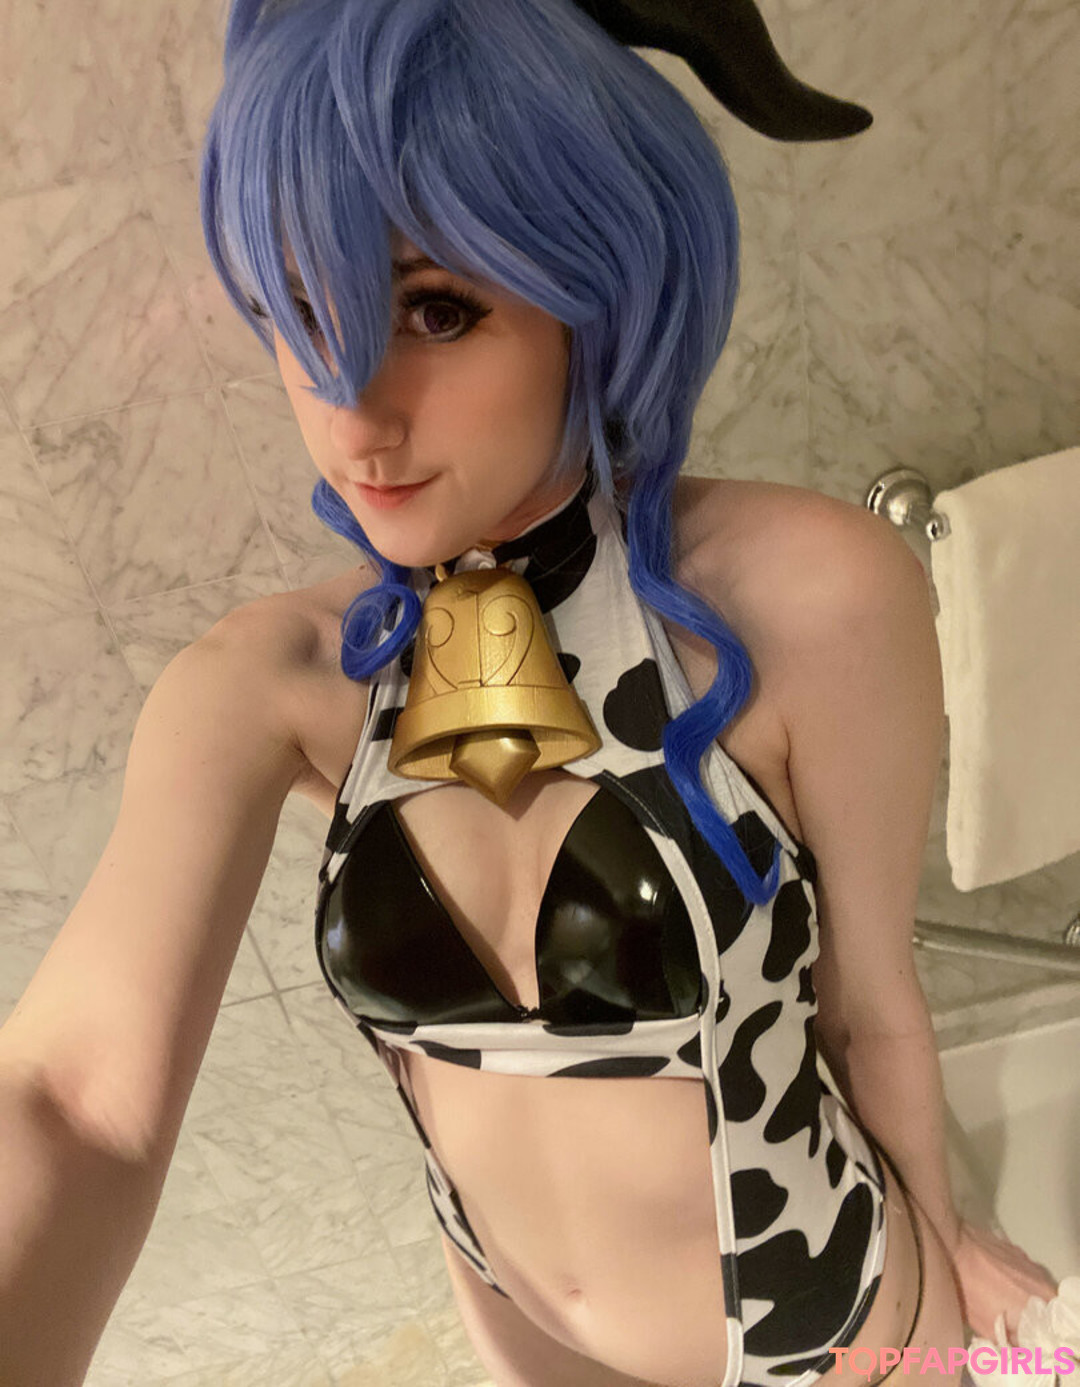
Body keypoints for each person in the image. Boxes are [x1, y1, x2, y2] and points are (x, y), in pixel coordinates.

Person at [0, 1, 1059, 1385]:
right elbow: (71, 1097)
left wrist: (952, 1230)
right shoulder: (278, 683)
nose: (352, 411)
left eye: (435, 309)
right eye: (301, 311)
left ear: (596, 286)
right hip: (526, 1343)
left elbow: (872, 1005)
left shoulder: (816, 596)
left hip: (829, 1332)